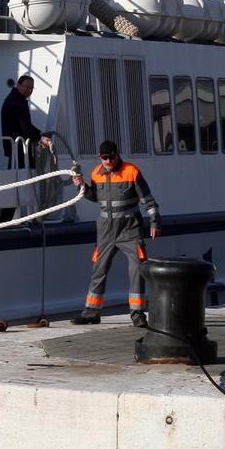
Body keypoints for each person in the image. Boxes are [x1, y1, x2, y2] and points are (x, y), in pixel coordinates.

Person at [72, 140, 160, 327]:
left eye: (111, 157)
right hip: (105, 231)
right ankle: (91, 313)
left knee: (137, 268)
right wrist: (82, 186)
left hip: (130, 229)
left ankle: (137, 314)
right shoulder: (96, 173)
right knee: (99, 269)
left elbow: (148, 200)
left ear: (117, 154)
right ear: (100, 158)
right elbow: (95, 197)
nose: (108, 161)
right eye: (104, 158)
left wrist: (155, 221)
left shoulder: (132, 172)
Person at [1, 75, 52, 169]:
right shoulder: (15, 103)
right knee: (19, 174)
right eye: (26, 87)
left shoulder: (16, 99)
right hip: (18, 146)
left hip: (18, 146)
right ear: (18, 85)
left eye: (31, 88)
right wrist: (40, 138)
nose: (29, 90)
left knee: (17, 173)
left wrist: (40, 134)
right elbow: (23, 126)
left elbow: (25, 124)